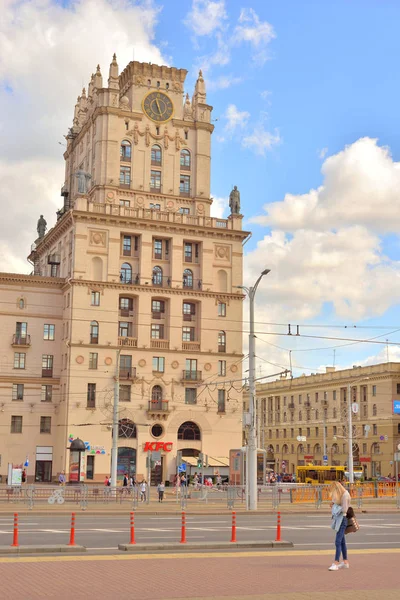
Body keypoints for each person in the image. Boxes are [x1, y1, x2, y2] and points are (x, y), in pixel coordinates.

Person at [329, 481, 351, 571]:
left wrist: (336, 508)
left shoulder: (345, 495)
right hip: (341, 519)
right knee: (342, 542)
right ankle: (345, 562)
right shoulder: (343, 494)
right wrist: (334, 504)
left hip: (342, 520)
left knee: (338, 541)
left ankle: (336, 562)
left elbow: (345, 509)